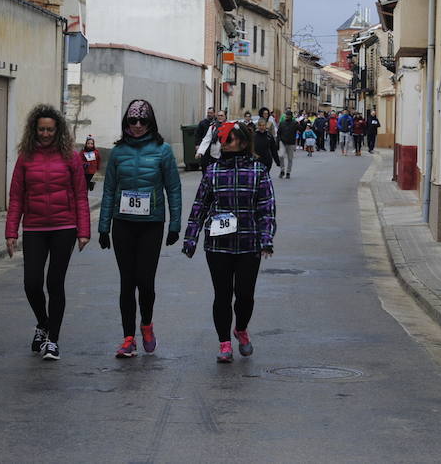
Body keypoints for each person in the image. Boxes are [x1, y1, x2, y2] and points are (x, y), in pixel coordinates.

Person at [182, 121, 276, 363]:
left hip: (248, 243)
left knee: (245, 295)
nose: (225, 144)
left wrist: (266, 239)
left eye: (230, 140)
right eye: (222, 140)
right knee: (222, 295)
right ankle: (224, 342)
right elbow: (200, 206)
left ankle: (241, 329)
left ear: (243, 142)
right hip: (218, 245)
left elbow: (266, 208)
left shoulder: (258, 171)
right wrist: (190, 238)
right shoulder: (212, 171)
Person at [5, 104, 90, 361]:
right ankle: (43, 322)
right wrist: (11, 232)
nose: (45, 134)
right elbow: (16, 197)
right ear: (34, 130)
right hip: (34, 228)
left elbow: (80, 196)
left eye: (49, 130)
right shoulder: (25, 157)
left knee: (55, 283)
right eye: (41, 129)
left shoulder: (71, 157)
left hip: (64, 227)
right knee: (31, 282)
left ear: (58, 130)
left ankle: (53, 340)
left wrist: (83, 231)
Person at [99, 99, 182, 358]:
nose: (136, 125)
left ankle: (146, 324)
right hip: (122, 224)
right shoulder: (118, 152)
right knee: (127, 283)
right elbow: (110, 190)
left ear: (150, 123)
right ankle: (128, 338)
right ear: (126, 122)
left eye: (142, 121)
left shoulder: (163, 150)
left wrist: (175, 224)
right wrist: (103, 227)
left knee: (145, 282)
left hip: (151, 225)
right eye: (132, 121)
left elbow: (173, 189)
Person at [276, 110, 299, 179]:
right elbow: (278, 132)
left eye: (288, 115)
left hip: (291, 143)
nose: (287, 116)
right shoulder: (282, 123)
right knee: (281, 155)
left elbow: (301, 129)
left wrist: (302, 122)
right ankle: (282, 170)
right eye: (286, 115)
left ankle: (288, 172)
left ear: (291, 116)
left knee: (290, 158)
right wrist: (278, 140)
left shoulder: (294, 123)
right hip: (282, 142)